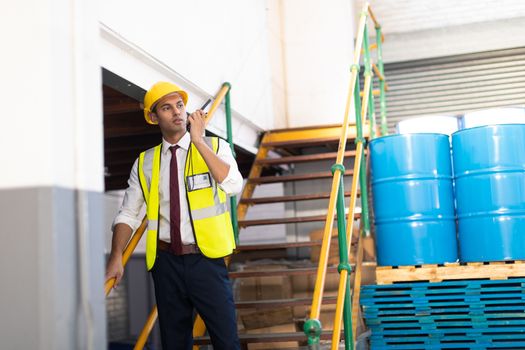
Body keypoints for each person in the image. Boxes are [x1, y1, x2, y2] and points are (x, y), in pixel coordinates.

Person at [105, 81, 242, 350]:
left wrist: (199, 141)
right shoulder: (145, 162)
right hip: (165, 264)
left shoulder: (215, 147)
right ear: (154, 117)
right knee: (174, 343)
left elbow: (233, 185)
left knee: (226, 341)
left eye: (180, 105)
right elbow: (128, 214)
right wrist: (116, 257)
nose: (177, 112)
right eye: (167, 108)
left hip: (206, 260)